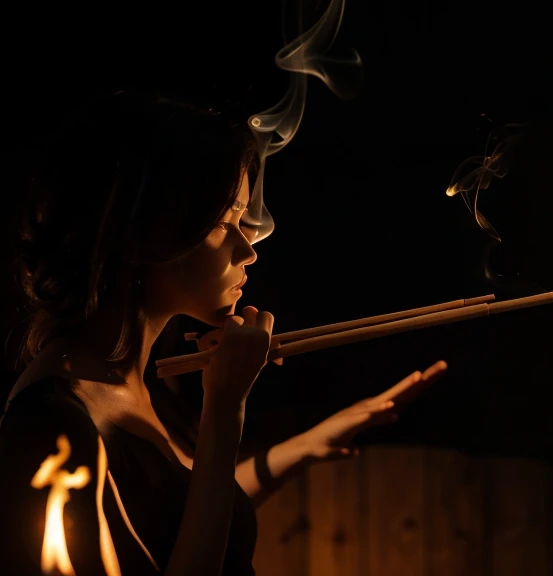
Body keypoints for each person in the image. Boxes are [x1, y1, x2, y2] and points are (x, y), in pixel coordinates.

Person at [0, 89, 446, 575]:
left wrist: (306, 446)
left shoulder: (138, 381)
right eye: (223, 221)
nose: (248, 249)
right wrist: (225, 409)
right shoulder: (53, 423)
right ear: (146, 230)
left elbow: (181, 515)